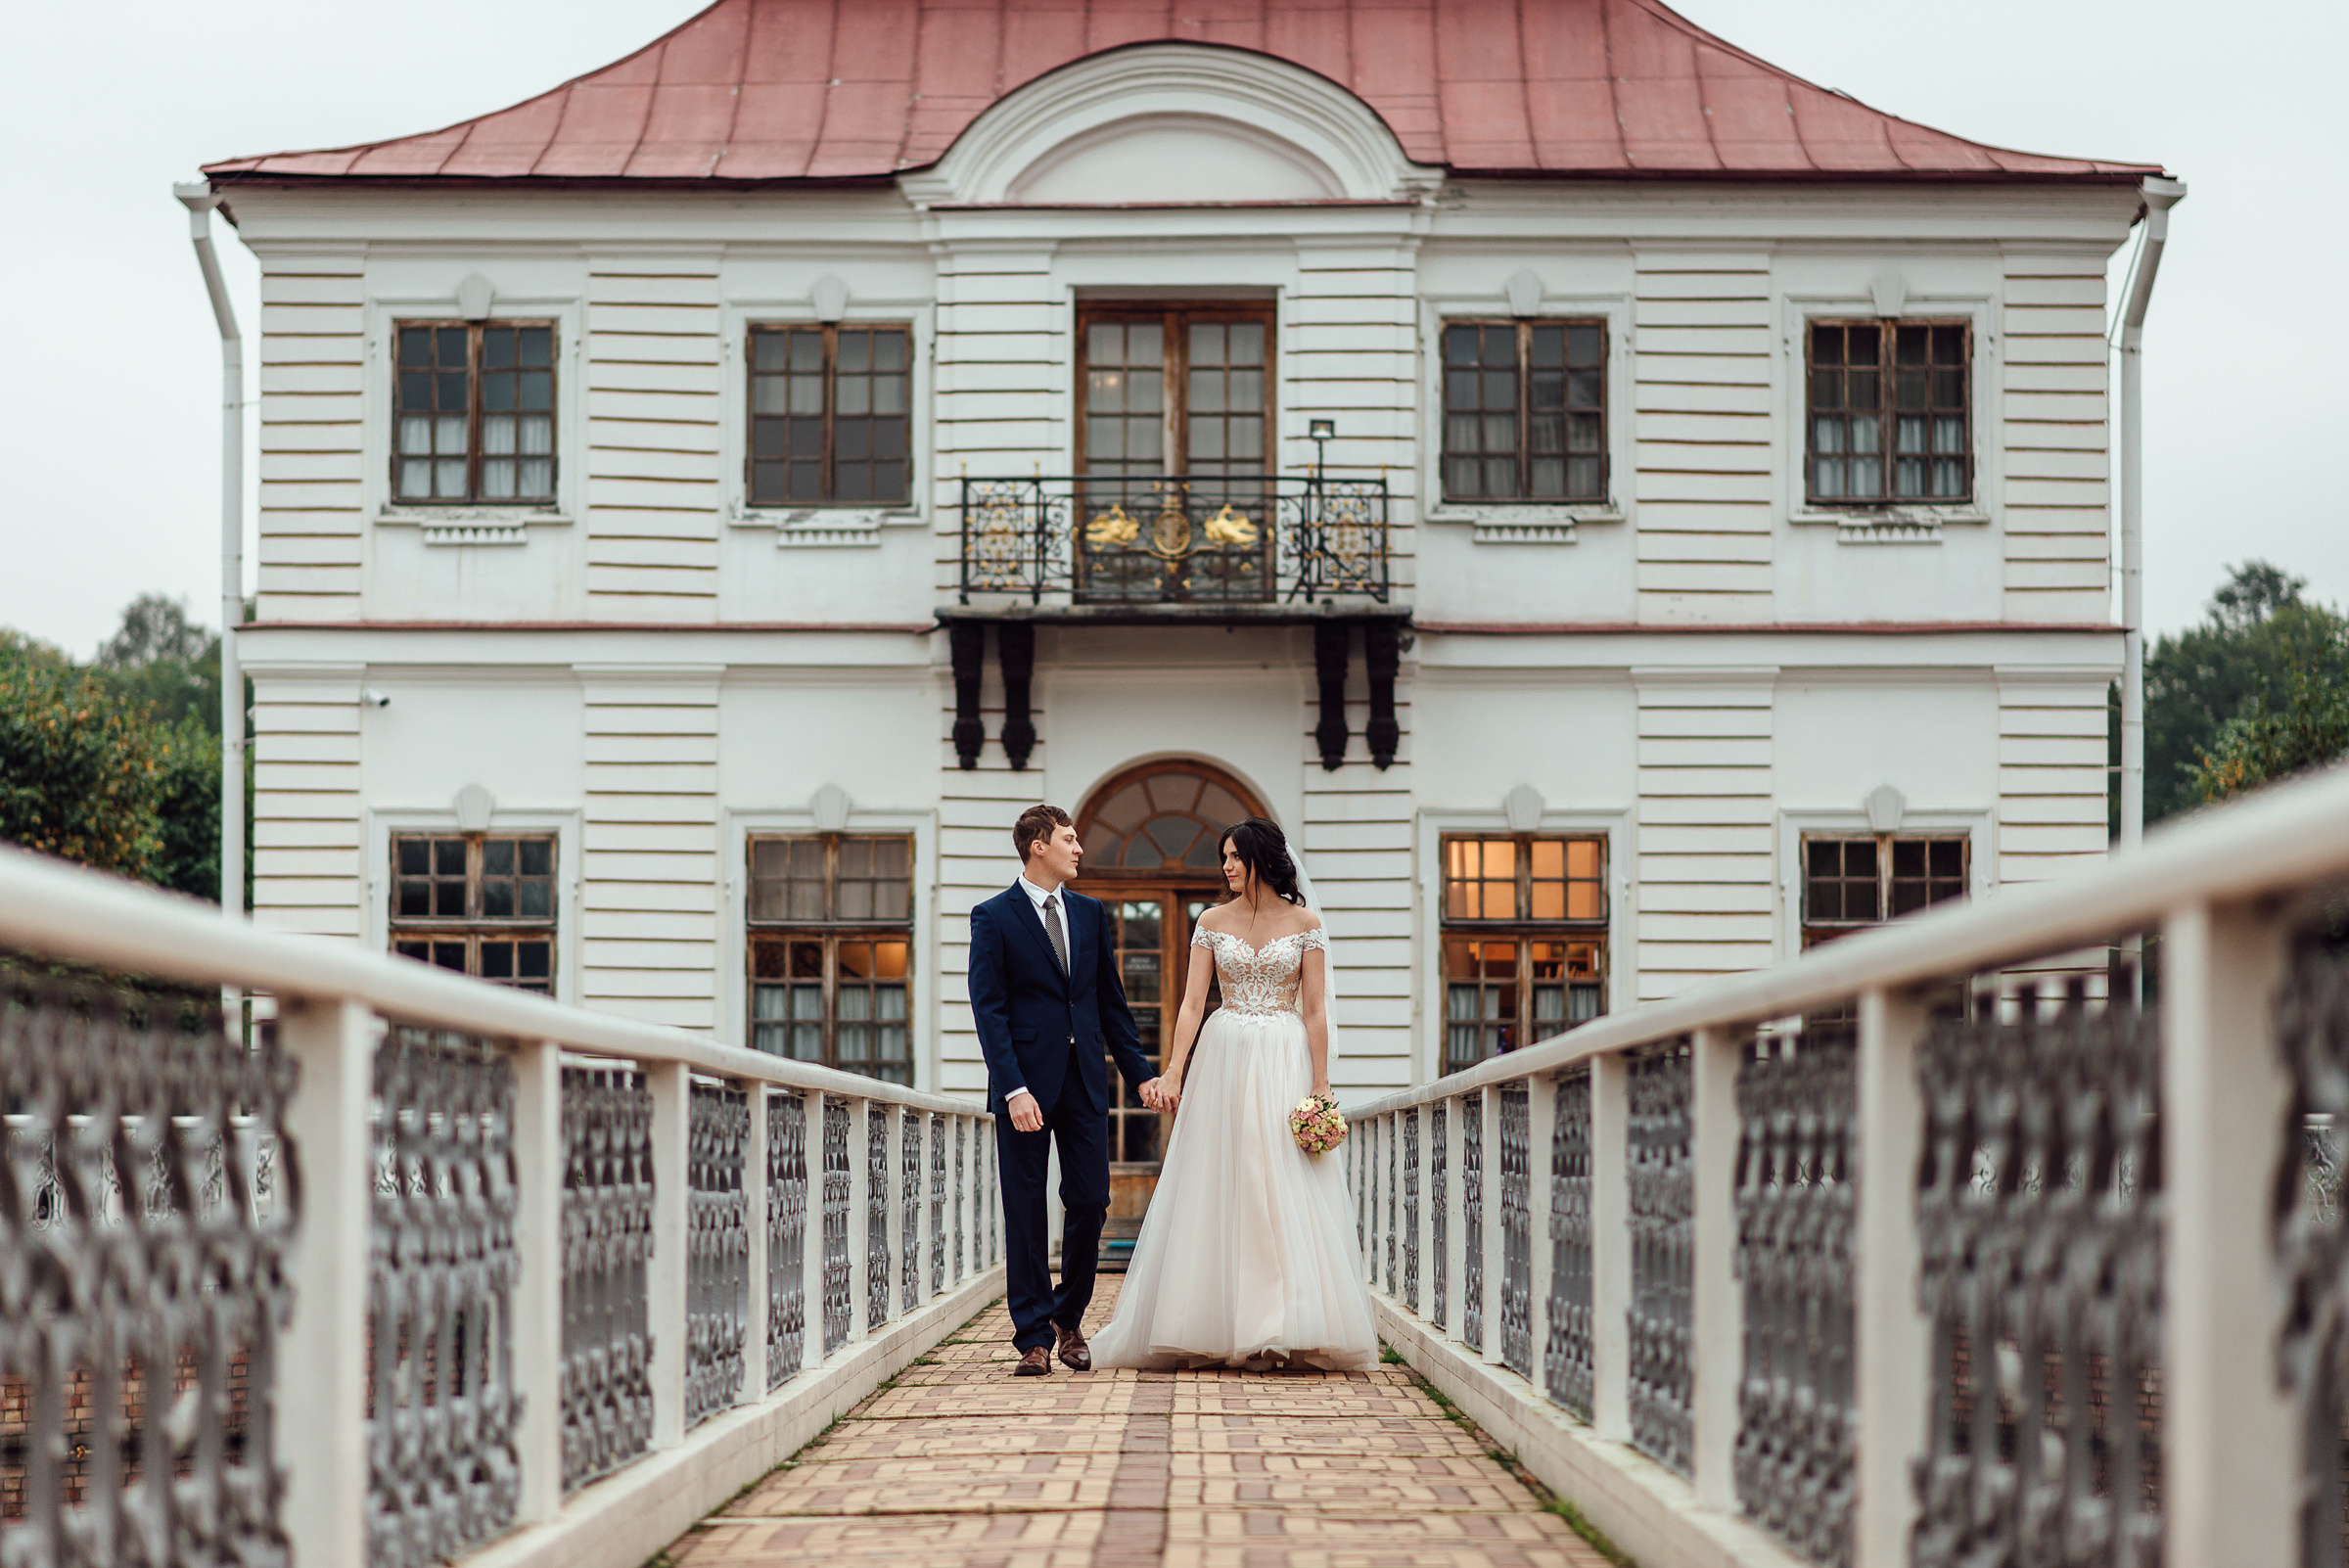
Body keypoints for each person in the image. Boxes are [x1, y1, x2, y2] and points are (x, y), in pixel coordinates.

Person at [1088, 816, 1376, 1370]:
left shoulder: (1305, 922)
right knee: (1227, 1177)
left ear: (1261, 859)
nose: (1226, 866)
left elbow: (1314, 1010)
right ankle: (1214, 1323)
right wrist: (1173, 1072)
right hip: (1224, 1055)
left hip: (1284, 1055)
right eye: (1223, 857)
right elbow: (1193, 1003)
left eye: (1235, 857)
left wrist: (1320, 1084)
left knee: (1280, 1178)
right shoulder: (1211, 921)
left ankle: (1280, 1325)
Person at [967, 804, 1167, 1376]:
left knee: (1090, 1200)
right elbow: (991, 1012)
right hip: (1024, 1089)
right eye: (1070, 839)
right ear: (1037, 846)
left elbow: (1111, 1004)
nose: (1079, 849)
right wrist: (1013, 1089)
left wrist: (1141, 1075)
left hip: (1085, 1084)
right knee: (1026, 1211)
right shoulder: (993, 917)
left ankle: (1068, 1317)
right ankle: (1031, 1336)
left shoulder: (1088, 913)